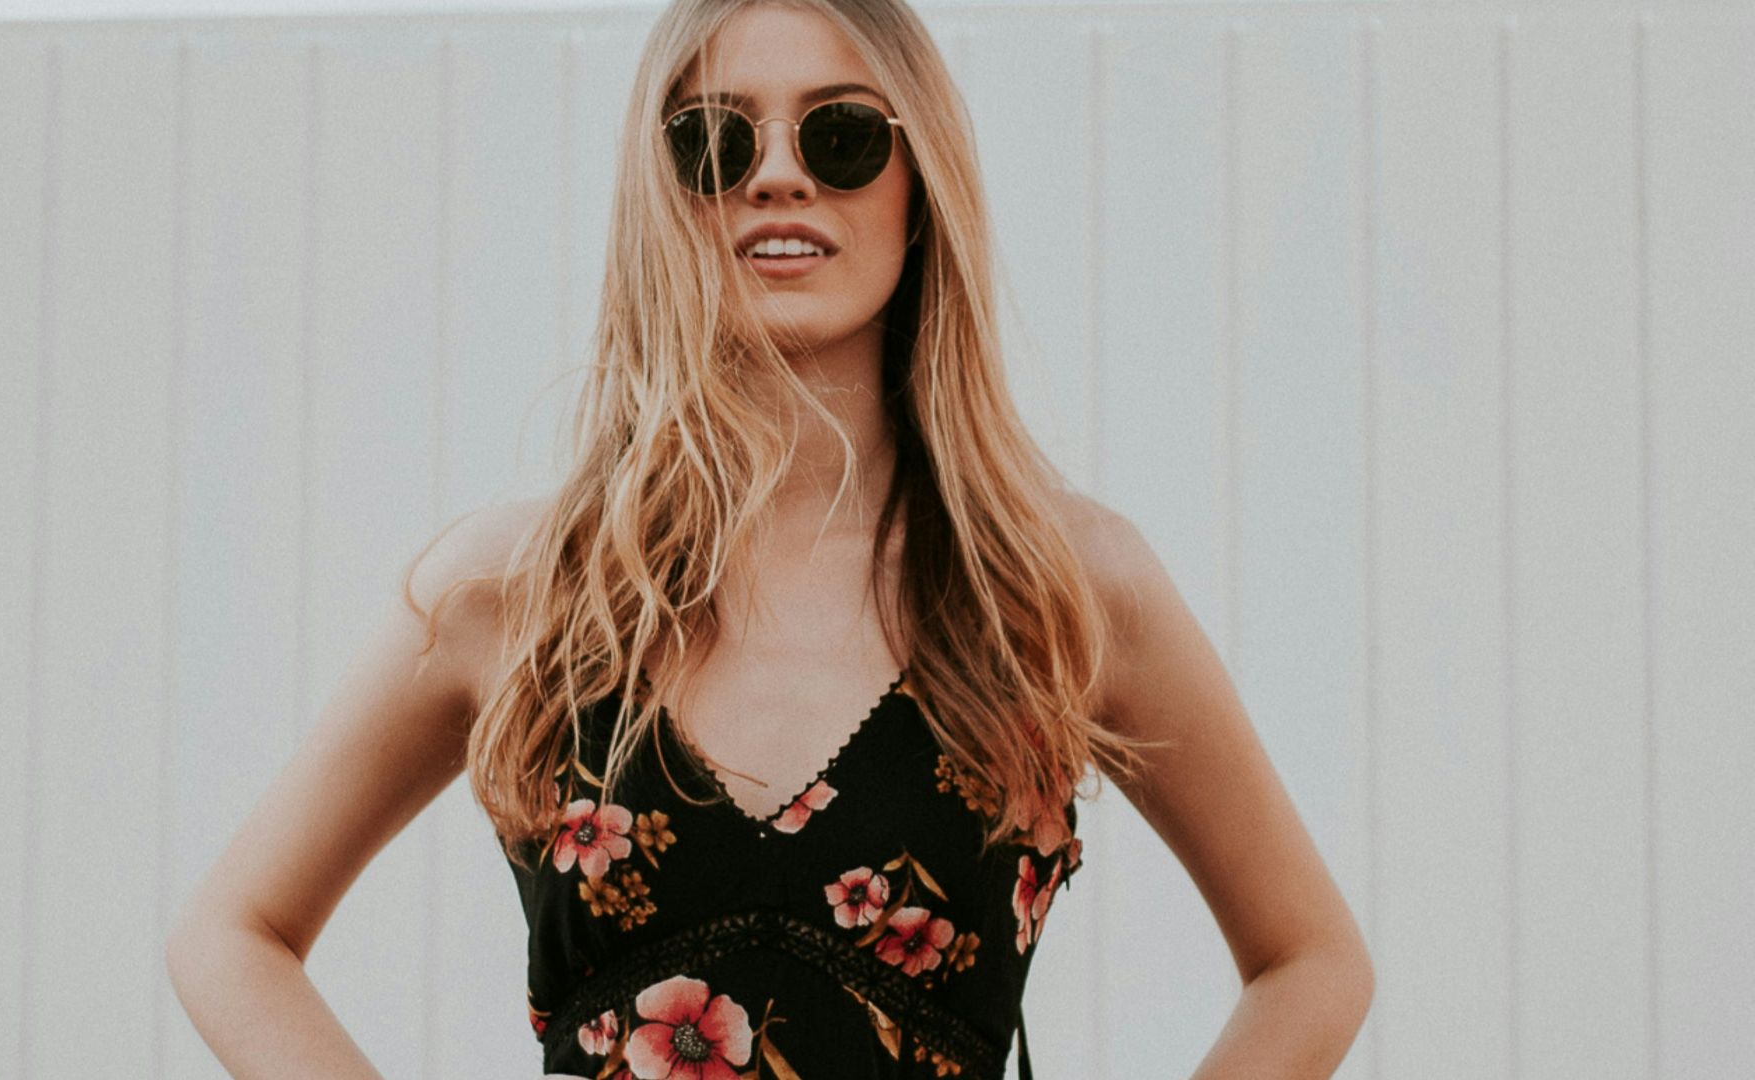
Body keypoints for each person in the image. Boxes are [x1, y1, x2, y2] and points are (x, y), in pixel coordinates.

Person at [166, 1, 1374, 1078]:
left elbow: (1311, 961)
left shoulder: (1057, 588)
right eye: (715, 141)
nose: (778, 177)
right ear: (664, 198)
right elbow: (233, 936)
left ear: (922, 185)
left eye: (842, 135)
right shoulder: (521, 592)